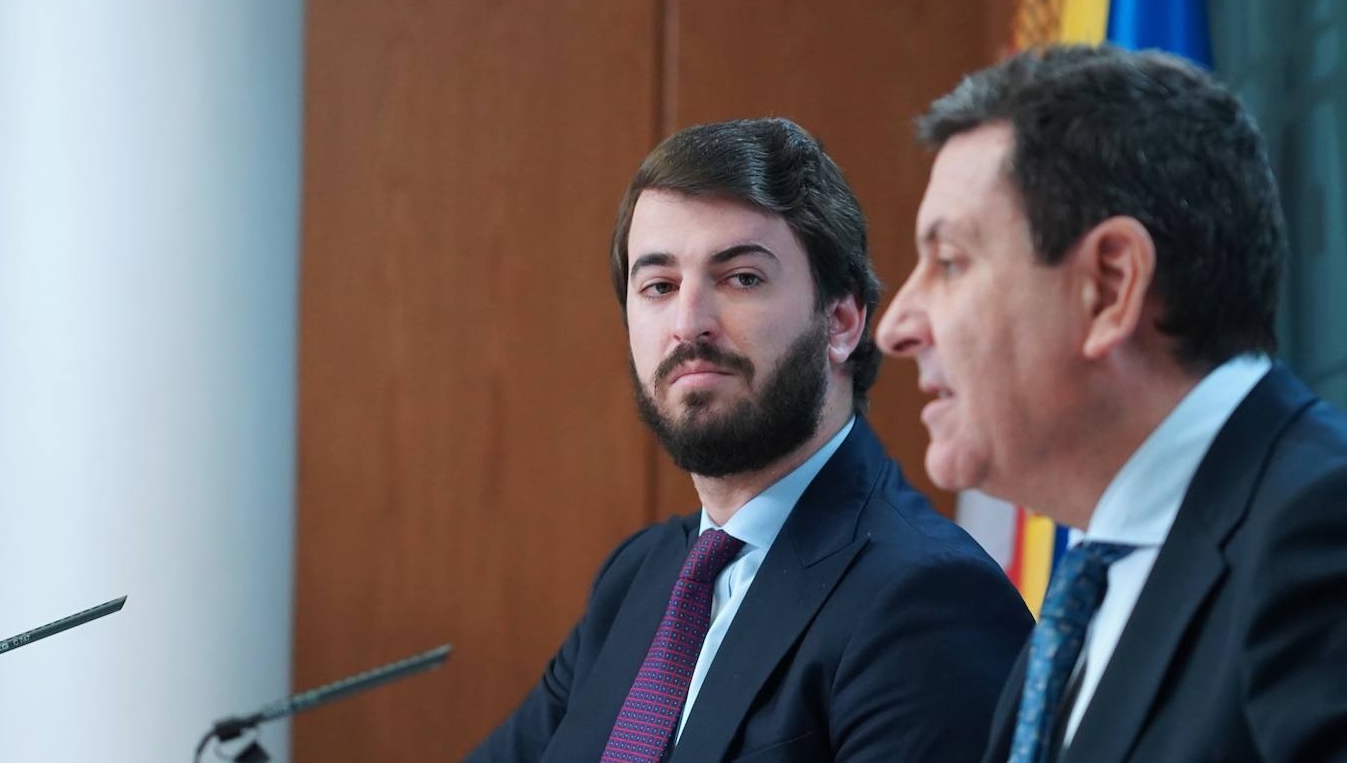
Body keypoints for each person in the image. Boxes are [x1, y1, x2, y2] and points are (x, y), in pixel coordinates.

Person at [469, 118, 1032, 762]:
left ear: (842, 321)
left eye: (741, 278)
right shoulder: (637, 577)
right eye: (659, 286)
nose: (688, 324)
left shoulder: (929, 599)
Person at [876, 44, 1347, 763]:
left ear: (1109, 284)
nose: (897, 325)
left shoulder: (1320, 533)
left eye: (948, 262)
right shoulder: (1082, 596)